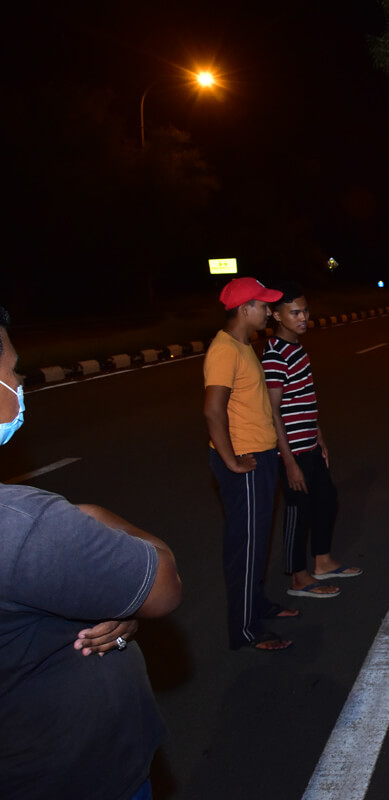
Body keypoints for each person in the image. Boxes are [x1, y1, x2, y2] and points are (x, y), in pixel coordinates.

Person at [0, 305, 184, 799]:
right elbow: (162, 584)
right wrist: (91, 516)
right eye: (13, 371)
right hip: (77, 777)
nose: (19, 382)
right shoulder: (23, 526)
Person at [203, 276, 295, 651]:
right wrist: (232, 461)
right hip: (246, 460)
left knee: (257, 542)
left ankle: (256, 605)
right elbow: (213, 410)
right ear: (245, 309)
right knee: (246, 547)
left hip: (260, 456)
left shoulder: (243, 346)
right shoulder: (225, 350)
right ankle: (244, 630)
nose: (269, 312)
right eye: (264, 305)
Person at [263, 281, 362, 601]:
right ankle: (298, 577)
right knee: (298, 510)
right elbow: (273, 410)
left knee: (327, 499)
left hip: (309, 445)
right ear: (277, 316)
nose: (303, 317)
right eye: (294, 313)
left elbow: (303, 397)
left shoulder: (297, 348)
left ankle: (322, 561)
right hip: (292, 451)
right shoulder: (276, 354)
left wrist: (318, 434)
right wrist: (289, 460)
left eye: (305, 311)